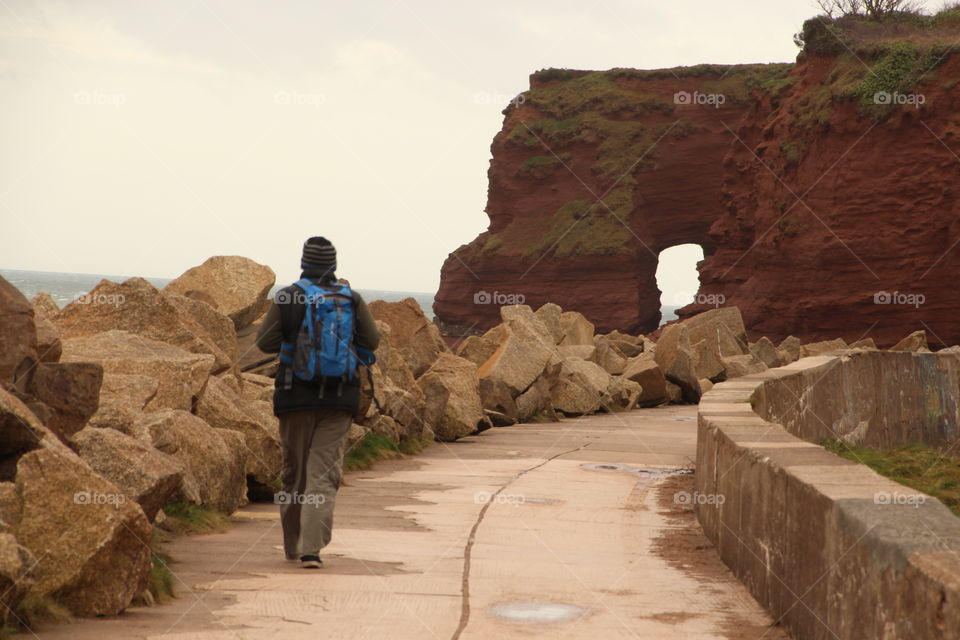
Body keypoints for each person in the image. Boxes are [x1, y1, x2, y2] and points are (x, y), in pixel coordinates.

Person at [256, 236, 380, 569]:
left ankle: (293, 546)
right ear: (333, 265)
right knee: (322, 475)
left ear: (304, 263)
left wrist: (294, 340)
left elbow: (265, 343)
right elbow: (372, 341)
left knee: (293, 473)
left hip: (294, 397)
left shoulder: (288, 296)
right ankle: (312, 549)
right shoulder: (350, 300)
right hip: (340, 398)